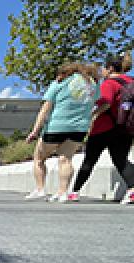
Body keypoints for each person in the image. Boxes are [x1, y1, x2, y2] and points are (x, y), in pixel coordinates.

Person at [25, 63, 99, 203]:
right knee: (66, 159)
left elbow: (45, 108)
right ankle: (63, 192)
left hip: (56, 126)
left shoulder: (60, 82)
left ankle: (40, 189)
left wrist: (35, 131)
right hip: (79, 128)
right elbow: (97, 102)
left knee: (39, 158)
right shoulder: (92, 84)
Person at [68, 52, 134, 204]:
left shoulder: (109, 83)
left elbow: (105, 102)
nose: (102, 71)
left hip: (103, 128)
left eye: (104, 68)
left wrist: (91, 115)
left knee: (89, 160)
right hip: (125, 128)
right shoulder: (130, 81)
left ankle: (75, 192)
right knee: (120, 160)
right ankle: (132, 190)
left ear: (110, 68)